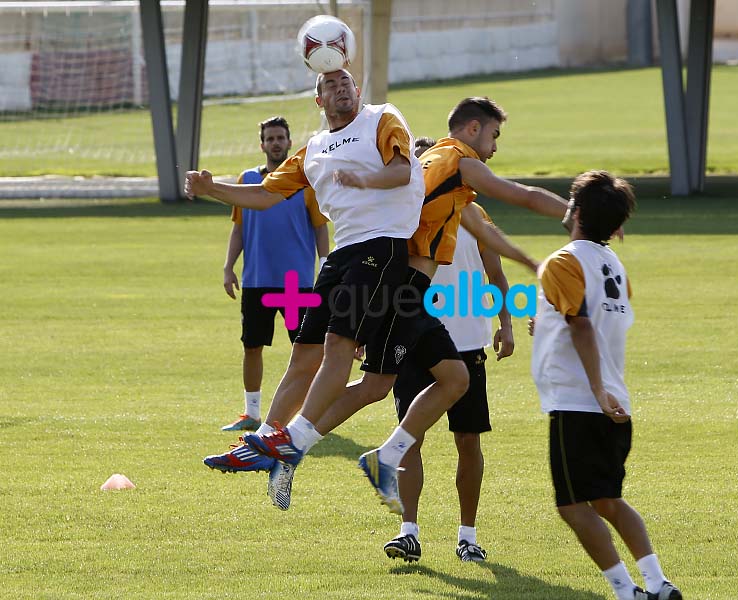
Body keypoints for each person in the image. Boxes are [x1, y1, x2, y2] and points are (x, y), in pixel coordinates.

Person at [243, 97, 569, 515]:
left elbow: (487, 236)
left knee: (380, 386)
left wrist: (532, 263)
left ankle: (293, 447)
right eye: (494, 135)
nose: (494, 147)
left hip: (393, 286)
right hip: (404, 288)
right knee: (450, 380)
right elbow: (520, 195)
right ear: (473, 129)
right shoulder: (456, 162)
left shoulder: (441, 178)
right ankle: (331, 449)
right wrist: (576, 214)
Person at [187, 69, 425, 510]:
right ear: (319, 102)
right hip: (342, 253)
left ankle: (288, 443)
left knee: (340, 345)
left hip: (383, 245)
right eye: (331, 87)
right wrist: (211, 189)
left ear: (358, 90)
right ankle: (262, 445)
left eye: (347, 83)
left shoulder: (382, 118)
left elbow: (400, 172)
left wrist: (364, 179)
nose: (342, 90)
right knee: (304, 353)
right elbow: (263, 195)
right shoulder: (311, 150)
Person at [529, 170, 682, 600]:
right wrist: (543, 324)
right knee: (608, 501)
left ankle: (625, 591)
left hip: (580, 402)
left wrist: (595, 389)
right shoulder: (615, 265)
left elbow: (581, 326)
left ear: (575, 212)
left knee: (572, 505)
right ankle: (657, 583)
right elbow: (593, 317)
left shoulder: (562, 261)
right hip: (618, 402)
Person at [384, 198, 514, 564]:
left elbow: (496, 275)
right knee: (409, 438)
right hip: (413, 341)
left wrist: (506, 324)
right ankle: (408, 532)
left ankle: (467, 537)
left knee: (468, 440)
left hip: (467, 343)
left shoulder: (475, 215)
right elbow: (386, 278)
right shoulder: (403, 215)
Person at [220, 116, 329, 432]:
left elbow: (320, 228)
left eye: (281, 137)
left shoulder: (304, 183)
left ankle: (308, 416)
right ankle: (252, 413)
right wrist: (229, 267)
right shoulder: (248, 180)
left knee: (306, 350)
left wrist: (325, 263)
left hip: (297, 285)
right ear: (262, 144)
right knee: (252, 346)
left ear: (289, 142)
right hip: (257, 281)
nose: (276, 143)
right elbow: (239, 229)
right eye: (270, 138)